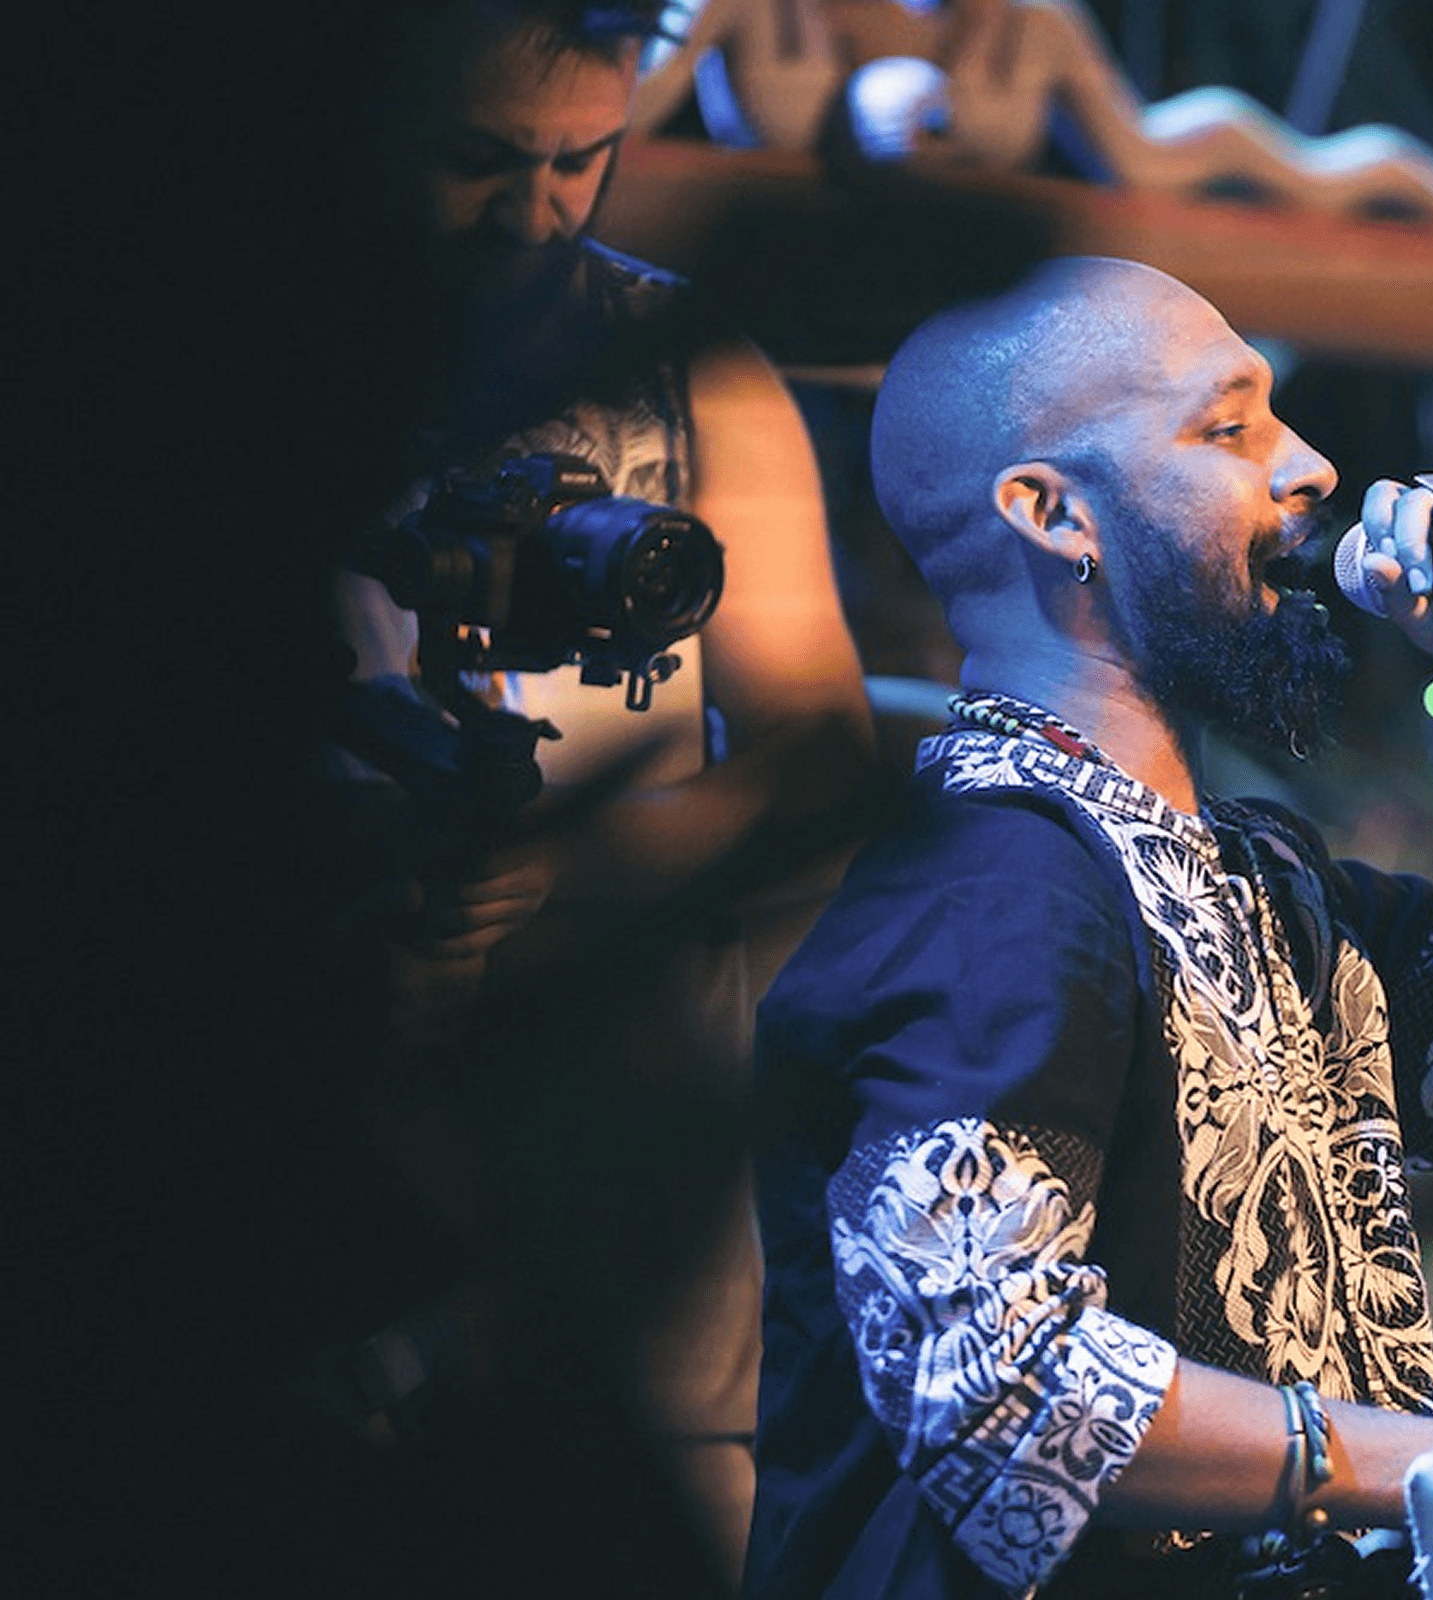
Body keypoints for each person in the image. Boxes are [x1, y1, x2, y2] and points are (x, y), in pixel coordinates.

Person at [743, 256, 1433, 1599]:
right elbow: (1001, 1384)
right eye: (1229, 428)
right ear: (1054, 512)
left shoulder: (1264, 883)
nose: (1310, 468)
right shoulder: (992, 889)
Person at [339, 0, 876, 1570]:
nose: (538, 212)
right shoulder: (243, 368)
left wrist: (564, 864)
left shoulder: (686, 371)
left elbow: (822, 751)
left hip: (624, 1080)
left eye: (583, 159)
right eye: (480, 159)